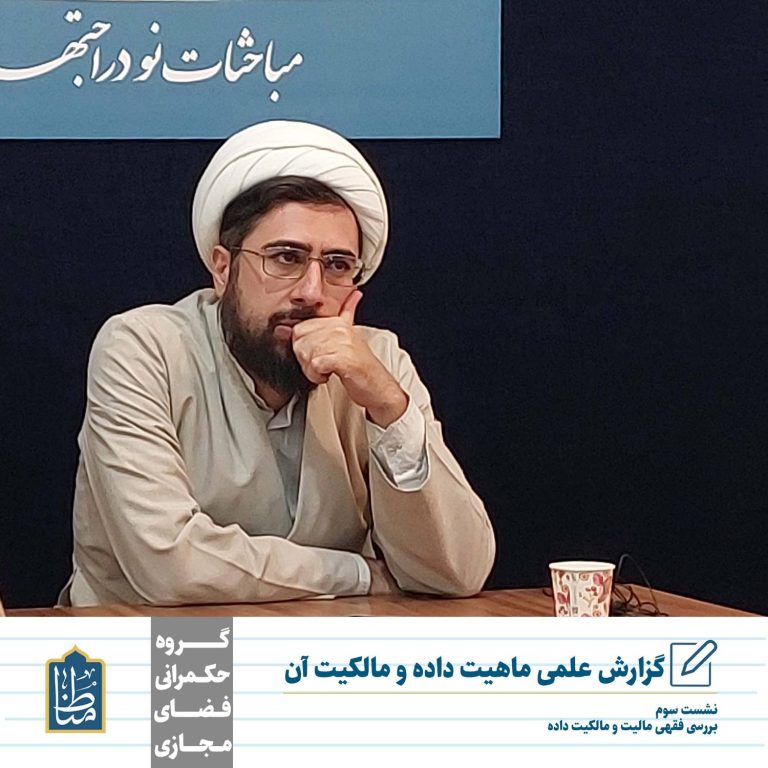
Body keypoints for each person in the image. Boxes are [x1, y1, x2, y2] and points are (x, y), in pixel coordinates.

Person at [60, 120, 495, 606]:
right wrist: (358, 574)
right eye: (286, 258)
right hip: (142, 646)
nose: (311, 292)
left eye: (337, 265)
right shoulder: (144, 348)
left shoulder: (377, 364)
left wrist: (390, 409)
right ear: (222, 268)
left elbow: (460, 572)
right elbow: (170, 564)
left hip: (319, 648)